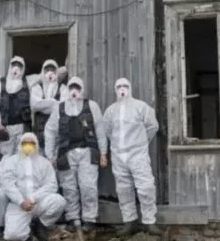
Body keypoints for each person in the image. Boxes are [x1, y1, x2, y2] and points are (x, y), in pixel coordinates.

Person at [44, 76, 107, 233]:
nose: (74, 91)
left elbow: (100, 130)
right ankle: (73, 218)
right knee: (69, 188)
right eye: (71, 87)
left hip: (87, 151)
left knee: (88, 186)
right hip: (66, 153)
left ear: (82, 90)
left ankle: (90, 219)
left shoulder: (91, 106)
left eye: (77, 88)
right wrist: (50, 156)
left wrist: (103, 153)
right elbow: (50, 132)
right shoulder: (59, 108)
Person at [102, 78, 161, 236]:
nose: (122, 89)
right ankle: (130, 222)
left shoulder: (141, 107)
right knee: (123, 189)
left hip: (137, 154)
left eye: (125, 86)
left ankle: (149, 222)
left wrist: (141, 142)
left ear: (130, 88)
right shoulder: (110, 111)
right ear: (115, 89)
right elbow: (107, 130)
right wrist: (117, 145)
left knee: (146, 187)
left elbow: (153, 126)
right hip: (118, 155)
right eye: (119, 86)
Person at [0, 132, 65, 241]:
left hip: (38, 203)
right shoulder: (11, 161)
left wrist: (33, 198)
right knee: (12, 236)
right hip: (18, 205)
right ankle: (27, 229)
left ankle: (40, 224)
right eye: (25, 143)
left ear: (36, 144)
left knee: (59, 201)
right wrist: (21, 201)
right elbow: (7, 184)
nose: (28, 145)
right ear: (20, 144)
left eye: (31, 143)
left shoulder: (44, 163)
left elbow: (51, 184)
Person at [0, 56, 32, 156]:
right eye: (14, 65)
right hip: (5, 127)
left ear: (23, 68)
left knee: (22, 155)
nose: (16, 68)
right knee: (5, 156)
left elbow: (42, 76)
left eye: (19, 66)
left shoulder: (27, 82)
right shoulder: (1, 83)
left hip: (22, 127)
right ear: (10, 66)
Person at [30, 59, 68, 156]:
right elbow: (34, 105)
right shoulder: (37, 87)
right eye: (47, 69)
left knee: (55, 159)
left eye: (52, 69)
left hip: (57, 132)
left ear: (56, 71)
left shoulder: (63, 88)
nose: (50, 72)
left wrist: (43, 106)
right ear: (43, 71)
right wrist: (53, 102)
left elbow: (63, 107)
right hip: (39, 131)